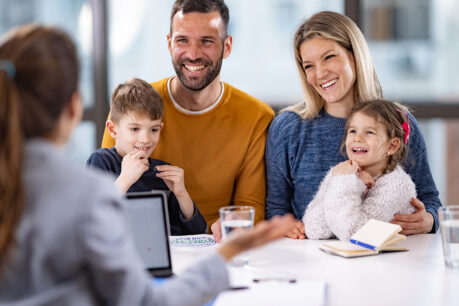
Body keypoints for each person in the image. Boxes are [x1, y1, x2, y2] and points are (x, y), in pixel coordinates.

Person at [0, 24, 296, 305]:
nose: (146, 138)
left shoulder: (133, 178)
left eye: (154, 129)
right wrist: (227, 254)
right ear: (75, 106)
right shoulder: (90, 192)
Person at [101, 0, 275, 238]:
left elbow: (250, 209)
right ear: (169, 44)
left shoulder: (257, 117)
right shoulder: (130, 109)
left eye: (207, 41)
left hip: (217, 248)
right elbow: (103, 199)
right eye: (182, 40)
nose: (193, 54)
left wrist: (231, 227)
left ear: (227, 46)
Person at [265, 11, 441, 239]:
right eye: (309, 66)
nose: (320, 73)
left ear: (355, 56)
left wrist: (428, 219)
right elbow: (275, 209)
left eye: (329, 57)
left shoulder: (398, 122)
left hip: (389, 264)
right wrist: (285, 226)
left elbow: (430, 199)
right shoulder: (288, 128)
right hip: (312, 264)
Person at [87, 78, 207, 235]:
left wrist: (181, 194)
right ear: (113, 129)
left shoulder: (162, 172)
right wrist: (125, 180)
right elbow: (91, 219)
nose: (146, 139)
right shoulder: (102, 161)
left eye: (154, 130)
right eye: (135, 129)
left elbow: (198, 233)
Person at [303, 99, 416, 240]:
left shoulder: (397, 185)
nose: (357, 138)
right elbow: (315, 229)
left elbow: (357, 233)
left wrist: (344, 182)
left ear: (392, 146)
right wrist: (345, 180)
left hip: (388, 260)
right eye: (353, 131)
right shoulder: (344, 174)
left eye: (369, 132)